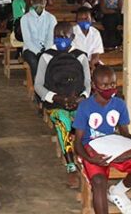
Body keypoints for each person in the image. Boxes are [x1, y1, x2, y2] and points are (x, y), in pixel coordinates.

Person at [73, 66, 131, 214]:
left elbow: (124, 133)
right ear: (94, 86)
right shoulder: (85, 107)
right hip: (92, 150)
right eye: (104, 85)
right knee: (99, 181)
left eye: (112, 84)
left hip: (114, 146)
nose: (109, 88)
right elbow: (77, 142)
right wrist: (89, 159)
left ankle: (117, 191)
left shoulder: (119, 104)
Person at [35, 22, 91, 187]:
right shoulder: (46, 56)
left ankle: (87, 157)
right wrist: (57, 98)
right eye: (57, 36)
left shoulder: (81, 56)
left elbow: (88, 83)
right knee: (62, 121)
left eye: (65, 36)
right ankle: (71, 166)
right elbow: (38, 86)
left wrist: (81, 97)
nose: (61, 39)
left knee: (86, 121)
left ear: (72, 37)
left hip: (79, 102)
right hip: (56, 103)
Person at [21, 0, 57, 79]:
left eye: (41, 1)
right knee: (34, 62)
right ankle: (38, 86)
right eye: (36, 2)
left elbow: (50, 38)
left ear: (45, 2)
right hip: (30, 49)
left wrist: (45, 51)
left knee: (53, 60)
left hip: (48, 48)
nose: (39, 4)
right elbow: (27, 40)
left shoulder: (51, 18)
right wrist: (38, 52)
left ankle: (50, 84)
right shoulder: (25, 18)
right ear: (32, 3)